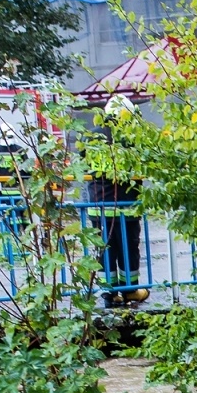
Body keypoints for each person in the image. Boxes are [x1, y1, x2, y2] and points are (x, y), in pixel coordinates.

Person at [85, 95, 147, 306]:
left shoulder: (92, 137)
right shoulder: (131, 138)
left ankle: (109, 294)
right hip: (126, 206)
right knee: (128, 249)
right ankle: (130, 290)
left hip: (99, 207)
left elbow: (86, 164)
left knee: (105, 250)